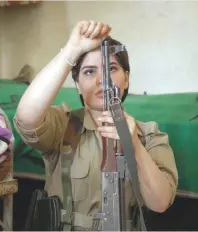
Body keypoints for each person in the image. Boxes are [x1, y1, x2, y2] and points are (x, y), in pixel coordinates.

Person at [14, 20, 178, 230]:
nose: (102, 80)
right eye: (90, 72)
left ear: (126, 79)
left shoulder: (149, 135)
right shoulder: (64, 126)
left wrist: (134, 145)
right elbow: (27, 117)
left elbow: (160, 202)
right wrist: (72, 51)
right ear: (78, 85)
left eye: (111, 68)